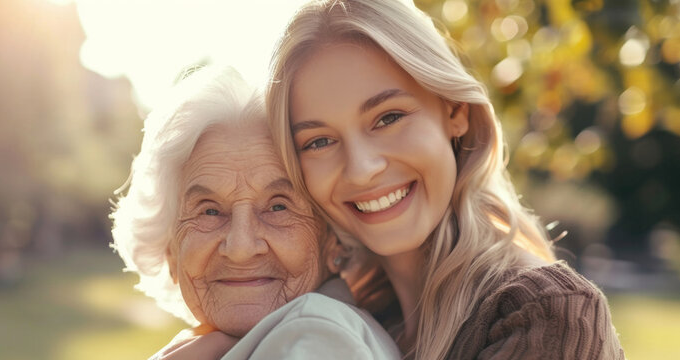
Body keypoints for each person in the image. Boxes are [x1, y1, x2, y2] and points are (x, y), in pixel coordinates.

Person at [266, 0, 625, 358]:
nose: (361, 168)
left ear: (455, 112)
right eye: (319, 141)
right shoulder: (350, 318)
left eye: (388, 118)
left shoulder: (543, 313)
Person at [111, 66, 400, 359]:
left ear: (333, 240)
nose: (241, 248)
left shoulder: (315, 336)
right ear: (171, 251)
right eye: (210, 212)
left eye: (277, 207)